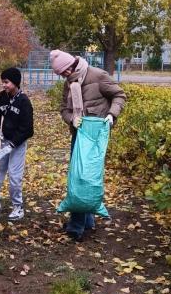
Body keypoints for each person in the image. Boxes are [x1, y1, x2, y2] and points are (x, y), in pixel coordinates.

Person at [50, 50, 126, 240]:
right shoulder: (69, 84)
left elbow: (119, 95)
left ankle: (76, 227)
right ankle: (87, 221)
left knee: (85, 177)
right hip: (79, 134)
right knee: (79, 175)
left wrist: (111, 115)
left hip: (95, 138)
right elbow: (63, 109)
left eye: (64, 72)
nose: (64, 76)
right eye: (61, 75)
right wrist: (71, 119)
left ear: (72, 65)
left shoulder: (98, 75)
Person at [0, 67, 34, 220]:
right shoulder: (2, 97)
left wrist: (11, 146)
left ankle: (18, 207)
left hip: (17, 144)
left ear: (15, 83)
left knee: (15, 177)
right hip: (3, 141)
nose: (4, 85)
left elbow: (28, 130)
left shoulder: (24, 102)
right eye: (2, 82)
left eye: (6, 82)